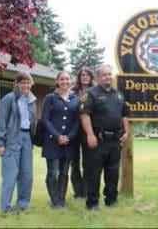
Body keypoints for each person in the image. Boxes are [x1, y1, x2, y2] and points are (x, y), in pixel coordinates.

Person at [80, 64, 129, 211]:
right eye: (104, 74)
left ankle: (111, 200)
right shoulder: (91, 93)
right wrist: (90, 134)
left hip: (115, 140)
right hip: (98, 140)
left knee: (113, 172)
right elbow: (84, 114)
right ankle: (93, 203)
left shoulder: (118, 95)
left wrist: (126, 131)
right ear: (98, 77)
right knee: (94, 173)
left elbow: (124, 114)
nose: (108, 77)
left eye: (109, 74)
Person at [0, 71, 36, 215]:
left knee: (27, 174)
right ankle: (5, 207)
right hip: (12, 138)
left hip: (27, 139)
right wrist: (0, 143)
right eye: (23, 82)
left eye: (28, 82)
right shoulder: (9, 98)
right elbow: (1, 121)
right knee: (10, 174)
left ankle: (23, 204)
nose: (26, 85)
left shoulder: (31, 101)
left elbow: (32, 123)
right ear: (17, 84)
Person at [41, 71, 80, 209]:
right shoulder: (50, 98)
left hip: (69, 143)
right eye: (62, 79)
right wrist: (57, 136)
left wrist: (69, 137)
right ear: (57, 81)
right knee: (52, 172)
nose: (64, 81)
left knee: (64, 172)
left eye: (67, 79)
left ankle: (61, 200)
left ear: (71, 81)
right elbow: (45, 119)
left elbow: (77, 121)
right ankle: (55, 200)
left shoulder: (76, 99)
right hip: (53, 142)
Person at [70, 66, 95, 198]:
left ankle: (86, 190)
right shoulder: (72, 93)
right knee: (74, 162)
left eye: (87, 75)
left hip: (88, 131)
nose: (85, 77)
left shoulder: (95, 92)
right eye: (82, 75)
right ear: (79, 77)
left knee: (88, 162)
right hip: (74, 131)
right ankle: (77, 191)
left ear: (91, 77)